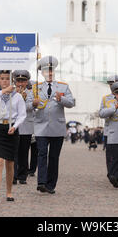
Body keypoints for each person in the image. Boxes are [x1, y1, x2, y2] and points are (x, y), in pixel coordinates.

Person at [27, 55, 75, 194]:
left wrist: (62, 99)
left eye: (51, 71)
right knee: (42, 153)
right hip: (41, 126)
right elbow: (26, 106)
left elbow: (71, 103)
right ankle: (41, 182)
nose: (49, 73)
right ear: (42, 73)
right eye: (46, 71)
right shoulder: (35, 88)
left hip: (57, 128)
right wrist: (32, 104)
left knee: (54, 157)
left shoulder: (63, 86)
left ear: (54, 72)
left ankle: (51, 185)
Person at [0, 70, 26, 202]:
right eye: (2, 79)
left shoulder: (17, 97)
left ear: (11, 81)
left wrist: (15, 126)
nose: (4, 81)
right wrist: (4, 91)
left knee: (10, 163)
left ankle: (9, 192)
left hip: (11, 129)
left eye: (7, 79)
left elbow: (22, 115)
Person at [12, 70, 34, 185]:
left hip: (26, 125)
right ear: (15, 81)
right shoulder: (11, 92)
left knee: (24, 152)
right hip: (14, 126)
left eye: (23, 81)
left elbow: (32, 106)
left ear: (27, 82)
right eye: (18, 81)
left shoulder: (31, 93)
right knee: (13, 152)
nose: (20, 83)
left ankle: (22, 176)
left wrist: (25, 104)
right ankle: (13, 176)